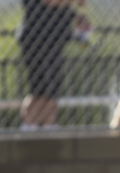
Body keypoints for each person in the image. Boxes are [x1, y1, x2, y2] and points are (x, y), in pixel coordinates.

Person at [19, 0, 88, 131]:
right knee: (38, 90)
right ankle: (28, 130)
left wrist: (75, 15)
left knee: (53, 91)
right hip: (35, 39)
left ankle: (50, 131)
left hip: (55, 40)